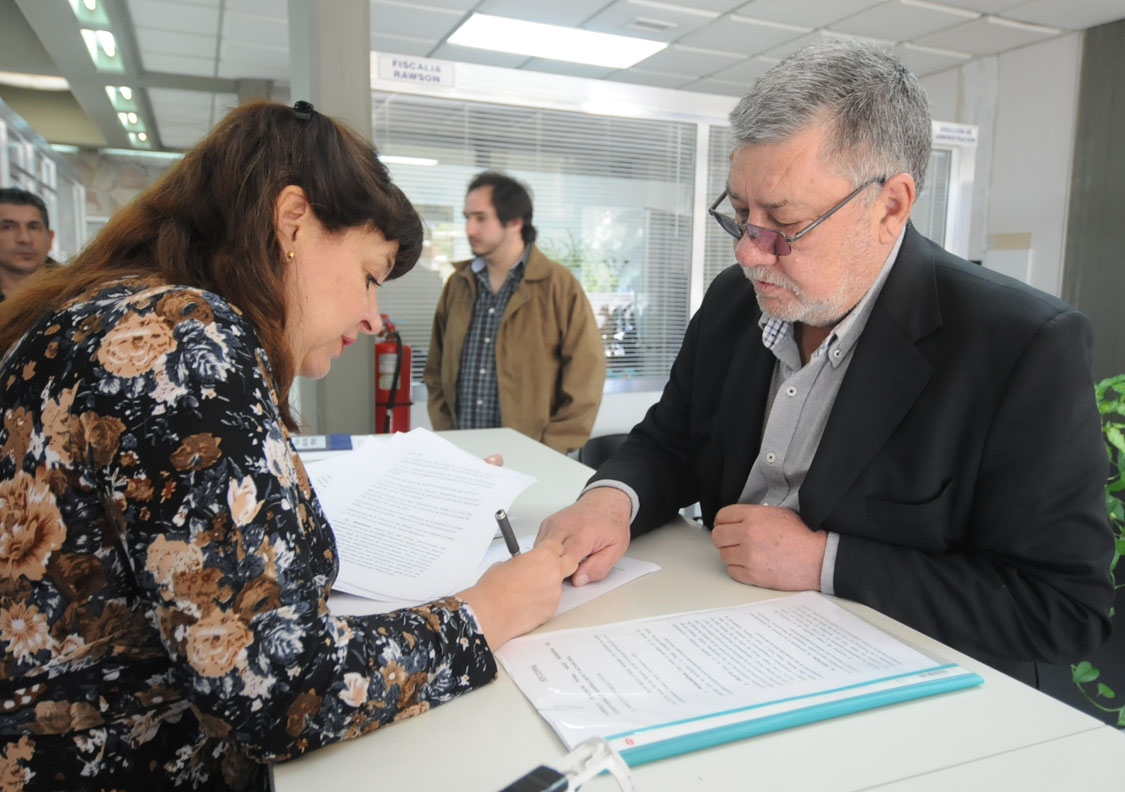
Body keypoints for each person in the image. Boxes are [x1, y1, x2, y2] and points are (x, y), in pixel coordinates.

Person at [0, 101, 576, 791]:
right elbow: (273, 689)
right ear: (293, 221)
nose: (373, 316)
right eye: (369, 275)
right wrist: (489, 610)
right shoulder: (184, 340)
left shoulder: (121, 312)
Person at [538, 40, 1114, 683]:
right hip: (714, 641)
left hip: (904, 686)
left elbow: (1062, 608)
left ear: (890, 206)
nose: (749, 254)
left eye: (784, 224)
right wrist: (612, 500)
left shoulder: (1021, 345)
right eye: (740, 215)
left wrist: (825, 562)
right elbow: (672, 443)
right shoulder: (734, 300)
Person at [424, 171, 605, 454]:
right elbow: (435, 371)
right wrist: (450, 436)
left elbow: (586, 378)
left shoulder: (558, 285)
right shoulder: (457, 285)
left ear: (515, 221)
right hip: (463, 455)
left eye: (481, 218)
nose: (469, 229)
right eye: (467, 218)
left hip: (533, 460)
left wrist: (548, 450)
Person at [0, 187, 58, 301]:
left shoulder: (82, 294)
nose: (25, 239)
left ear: (50, 238)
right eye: (8, 227)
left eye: (33, 227)